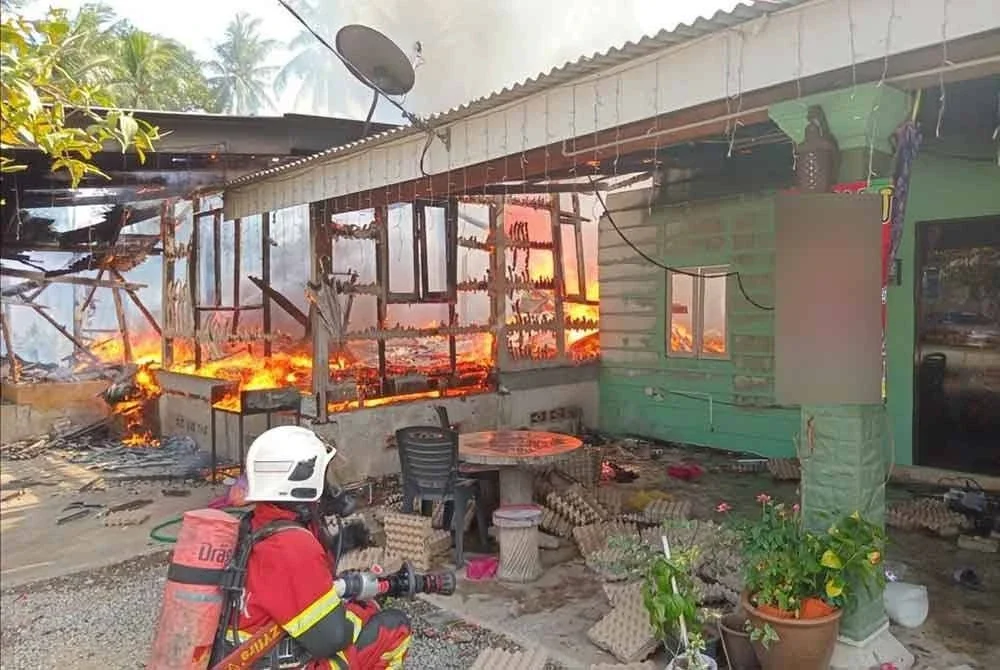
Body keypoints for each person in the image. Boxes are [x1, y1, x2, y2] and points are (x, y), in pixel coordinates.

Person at [231, 425, 412, 669]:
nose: (328, 489)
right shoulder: (291, 545)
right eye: (322, 476)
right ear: (298, 481)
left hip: (251, 656)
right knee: (394, 628)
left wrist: (339, 544)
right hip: (275, 661)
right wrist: (363, 608)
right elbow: (331, 639)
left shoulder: (256, 524)